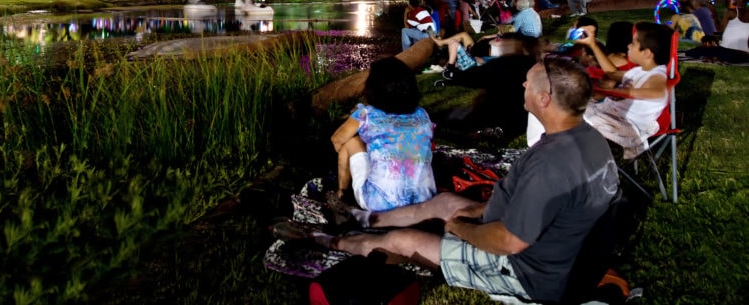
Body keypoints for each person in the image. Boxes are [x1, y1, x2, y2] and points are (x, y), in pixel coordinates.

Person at [276, 55, 619, 304]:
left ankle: (321, 238)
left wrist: (461, 229)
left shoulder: (551, 165)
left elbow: (509, 242)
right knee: (441, 203)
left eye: (529, 81)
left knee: (401, 241)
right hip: (542, 238)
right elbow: (533, 204)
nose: (524, 84)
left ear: (544, 99)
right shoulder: (586, 138)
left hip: (524, 271)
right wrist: (478, 209)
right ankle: (360, 217)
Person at [328, 57, 436, 212]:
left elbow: (336, 140)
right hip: (424, 201)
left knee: (350, 142)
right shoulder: (422, 114)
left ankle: (342, 196)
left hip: (379, 203)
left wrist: (359, 157)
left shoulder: (365, 114)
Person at [576, 22, 672, 158]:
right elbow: (611, 73)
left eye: (633, 44)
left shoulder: (657, 76)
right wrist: (593, 44)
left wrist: (622, 92)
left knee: (572, 118)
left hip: (632, 127)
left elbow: (657, 92)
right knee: (570, 108)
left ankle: (584, 162)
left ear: (647, 53)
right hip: (616, 115)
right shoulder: (642, 71)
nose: (628, 46)